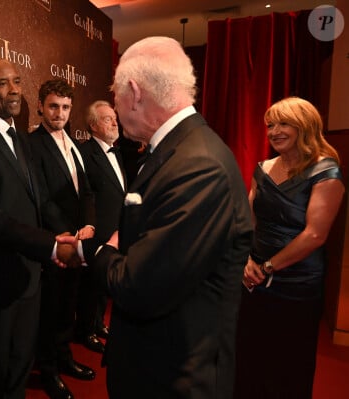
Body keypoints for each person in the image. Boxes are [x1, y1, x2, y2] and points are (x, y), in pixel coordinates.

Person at [60, 36, 253, 398]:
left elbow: (140, 286)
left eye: (114, 94)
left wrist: (92, 253)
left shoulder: (198, 164)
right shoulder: (179, 149)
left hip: (173, 377)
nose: (114, 106)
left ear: (134, 92)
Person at [0, 58, 78, 399]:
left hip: (30, 277)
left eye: (18, 81)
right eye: (4, 83)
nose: (15, 89)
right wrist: (50, 245)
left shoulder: (21, 138)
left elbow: (42, 201)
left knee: (20, 368)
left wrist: (70, 234)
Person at [235, 96, 344, 399]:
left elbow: (314, 236)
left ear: (304, 126)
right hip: (253, 280)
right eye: (270, 125)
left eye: (284, 123)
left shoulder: (326, 171)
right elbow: (248, 221)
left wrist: (267, 268)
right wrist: (246, 260)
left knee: (287, 367)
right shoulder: (263, 167)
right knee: (247, 359)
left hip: (296, 286)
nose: (274, 131)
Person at [29, 79, 96, 399]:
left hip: (79, 240)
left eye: (66, 107)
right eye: (53, 106)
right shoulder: (32, 144)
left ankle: (65, 357)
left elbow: (86, 191)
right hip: (56, 242)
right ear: (41, 105)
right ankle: (48, 370)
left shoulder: (73, 142)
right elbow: (41, 198)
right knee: (51, 309)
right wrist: (66, 235)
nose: (59, 113)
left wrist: (89, 225)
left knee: (69, 304)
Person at [78, 100, 127, 344]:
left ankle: (98, 324)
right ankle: (86, 330)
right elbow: (86, 196)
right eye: (108, 118)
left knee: (102, 287)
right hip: (97, 231)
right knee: (91, 286)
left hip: (116, 230)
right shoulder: (85, 153)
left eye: (114, 118)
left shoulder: (116, 152)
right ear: (93, 125)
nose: (115, 122)